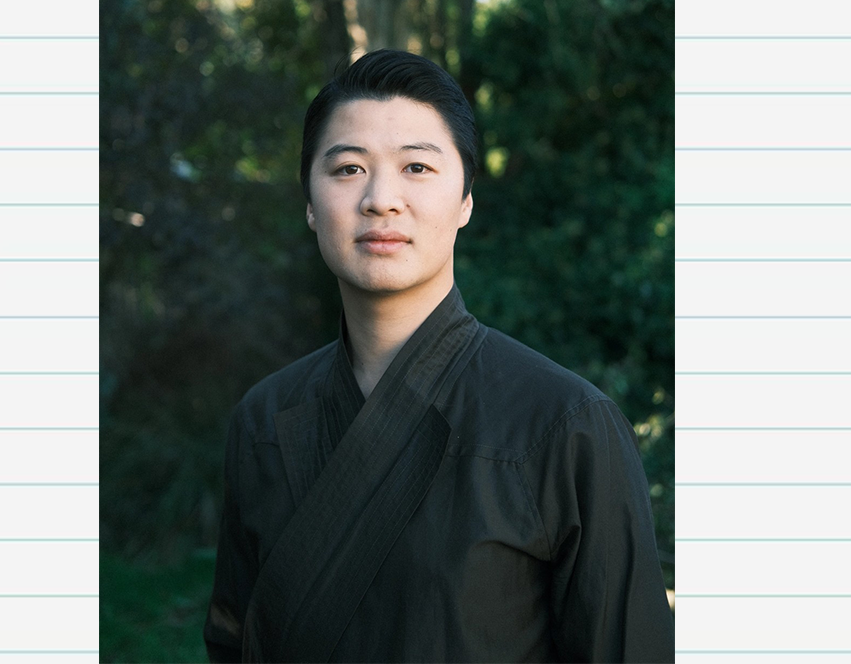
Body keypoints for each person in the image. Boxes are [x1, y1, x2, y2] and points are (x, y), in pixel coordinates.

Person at [204, 50, 674, 663]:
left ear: (465, 202)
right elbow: (233, 643)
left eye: (417, 167)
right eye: (348, 168)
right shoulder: (264, 419)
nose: (381, 199)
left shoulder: (565, 425)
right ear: (311, 204)